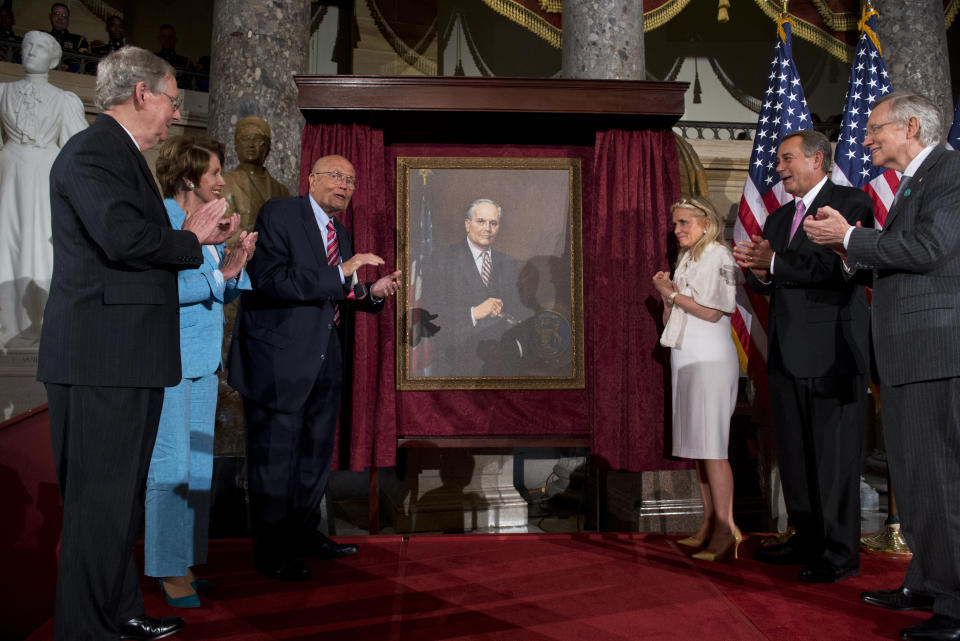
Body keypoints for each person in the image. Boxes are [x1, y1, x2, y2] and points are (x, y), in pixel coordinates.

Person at [38, 45, 238, 641]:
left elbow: (135, 239)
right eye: (174, 101)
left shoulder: (121, 157)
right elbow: (124, 240)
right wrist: (191, 237)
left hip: (126, 357)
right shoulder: (93, 153)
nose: (177, 115)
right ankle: (85, 629)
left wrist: (194, 239)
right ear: (142, 93)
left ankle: (119, 610)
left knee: (118, 506)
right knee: (97, 507)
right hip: (101, 359)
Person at [804, 92, 960, 641]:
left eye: (874, 128)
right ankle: (925, 579)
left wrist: (849, 236)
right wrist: (850, 252)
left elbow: (930, 250)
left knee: (940, 481)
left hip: (933, 352)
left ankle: (955, 605)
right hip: (905, 353)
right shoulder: (918, 180)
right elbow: (903, 261)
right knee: (917, 480)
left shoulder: (951, 171)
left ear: (911, 126)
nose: (864, 138)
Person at [228, 154, 401, 581]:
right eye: (337, 176)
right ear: (312, 179)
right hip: (278, 364)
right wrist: (342, 271)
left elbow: (335, 291)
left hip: (324, 363)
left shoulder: (339, 232)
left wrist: (371, 292)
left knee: (313, 458)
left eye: (352, 180)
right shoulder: (280, 213)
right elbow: (270, 280)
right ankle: (272, 554)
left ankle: (305, 534)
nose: (344, 185)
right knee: (274, 461)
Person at [733, 129, 872, 583]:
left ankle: (839, 553)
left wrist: (773, 264)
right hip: (787, 354)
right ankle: (806, 535)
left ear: (817, 160)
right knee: (795, 454)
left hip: (832, 354)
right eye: (778, 160)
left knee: (834, 460)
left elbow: (836, 270)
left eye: (787, 159)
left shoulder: (850, 205)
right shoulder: (777, 219)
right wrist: (757, 269)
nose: (779, 168)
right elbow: (769, 284)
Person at [145, 136, 257, 608]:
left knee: (196, 468)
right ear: (189, 177)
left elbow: (219, 287)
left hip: (205, 363)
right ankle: (168, 570)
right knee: (170, 468)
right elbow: (167, 289)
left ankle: (185, 560)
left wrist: (237, 263)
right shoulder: (167, 223)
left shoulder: (207, 224)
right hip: (172, 363)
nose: (222, 181)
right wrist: (221, 275)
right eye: (213, 173)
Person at [652, 197, 742, 562]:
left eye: (684, 223)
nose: (678, 231)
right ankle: (708, 523)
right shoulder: (688, 257)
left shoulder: (719, 255)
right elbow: (672, 317)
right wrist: (667, 296)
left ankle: (727, 528)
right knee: (699, 450)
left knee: (714, 449)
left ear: (707, 222)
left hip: (709, 358)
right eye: (675, 224)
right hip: (685, 355)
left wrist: (672, 293)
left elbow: (712, 310)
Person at [0, 31, 87, 347]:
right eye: (26, 46)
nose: (31, 51)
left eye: (40, 47)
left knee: (41, 243)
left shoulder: (64, 100)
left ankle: (42, 322)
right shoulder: (2, 92)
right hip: (10, 173)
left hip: (45, 175)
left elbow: (80, 153)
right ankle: (7, 324)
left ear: (54, 58)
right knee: (8, 242)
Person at [420, 198, 526, 376]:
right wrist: (474, 313)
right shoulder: (442, 259)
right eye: (481, 221)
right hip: (456, 365)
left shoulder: (507, 262)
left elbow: (518, 310)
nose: (488, 228)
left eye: (493, 223)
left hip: (501, 365)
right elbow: (429, 315)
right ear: (467, 225)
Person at [222, 116, 290, 231]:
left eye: (258, 139)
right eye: (245, 138)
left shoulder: (281, 191)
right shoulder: (225, 183)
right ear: (236, 146)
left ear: (267, 147)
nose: (251, 144)